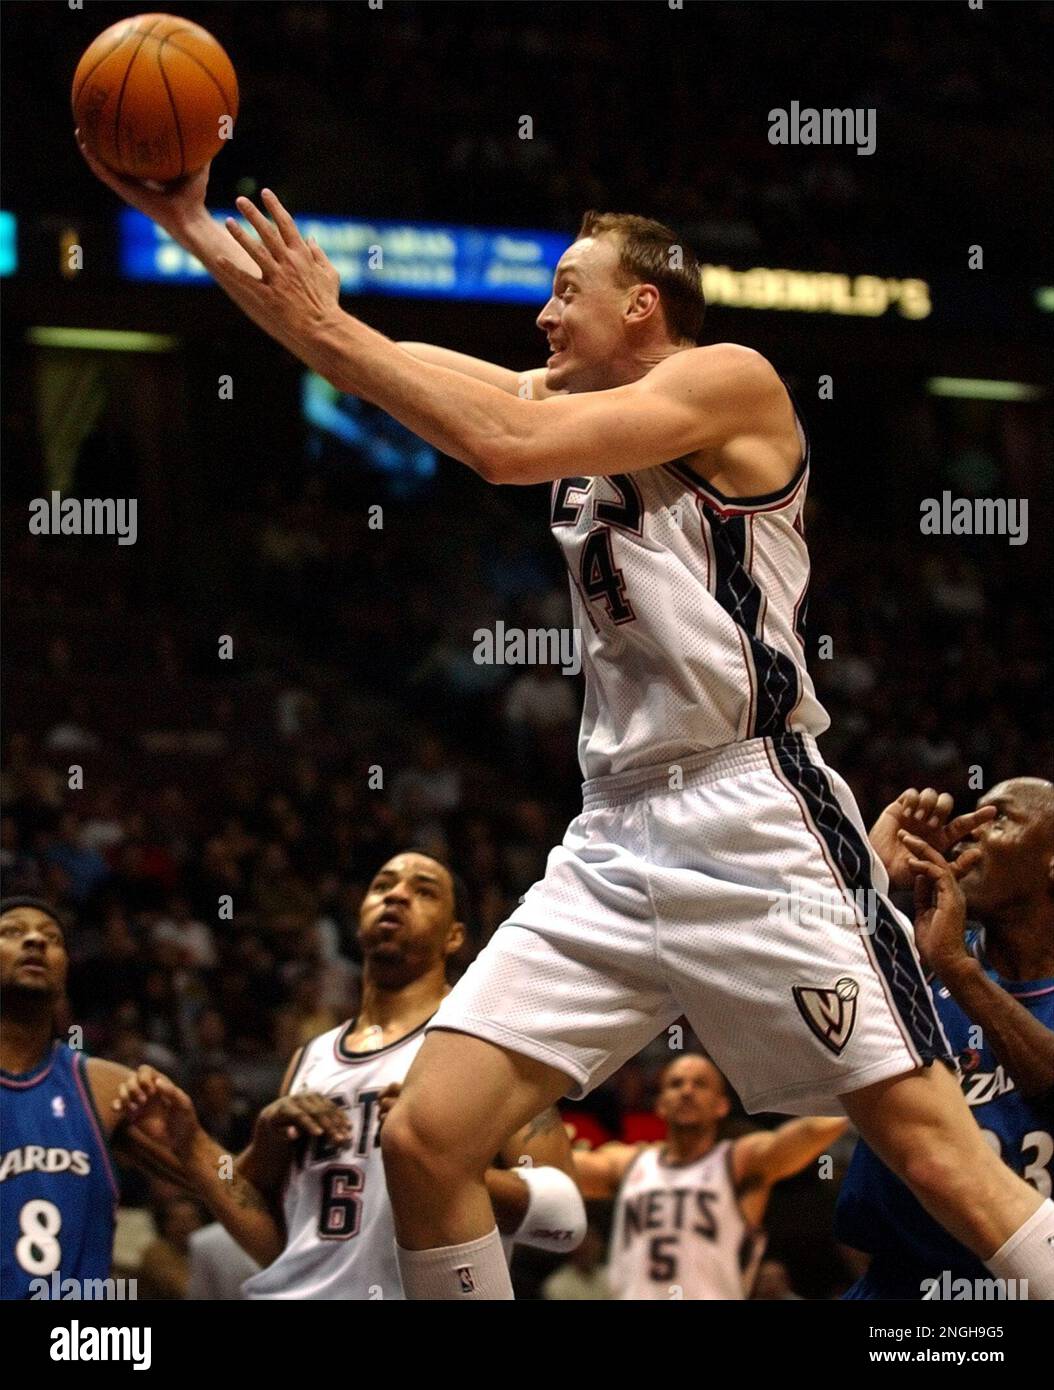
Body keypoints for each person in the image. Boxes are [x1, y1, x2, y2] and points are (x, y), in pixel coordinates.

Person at [77, 144, 1054, 1300]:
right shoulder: (570, 397)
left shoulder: (730, 378)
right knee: (426, 1137)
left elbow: (497, 446)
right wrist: (195, 229)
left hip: (752, 810)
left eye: (564, 292)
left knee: (933, 1149)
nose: (541, 316)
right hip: (612, 832)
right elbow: (371, 357)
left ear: (643, 304)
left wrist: (335, 332)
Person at [113, 852, 584, 1299]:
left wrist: (443, 1156)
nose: (396, 896)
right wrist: (199, 1143)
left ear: (455, 936)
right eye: (383, 886)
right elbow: (288, 1247)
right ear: (359, 913)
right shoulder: (310, 1056)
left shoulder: (484, 1046)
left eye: (423, 891)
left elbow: (564, 1218)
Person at [837, 780, 1054, 1298]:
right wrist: (867, 875)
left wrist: (959, 970)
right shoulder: (923, 959)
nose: (964, 837)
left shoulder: (950, 964)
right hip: (897, 1287)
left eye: (998, 820)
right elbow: (813, 1000)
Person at [0, 896, 192, 1299]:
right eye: (13, 931)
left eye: (52, 937)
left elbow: (227, 1181)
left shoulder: (107, 1088)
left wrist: (269, 1139)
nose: (35, 940)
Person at [574, 1054, 845, 1299]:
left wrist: (854, 1083)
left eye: (700, 1084)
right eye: (676, 1084)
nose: (687, 1091)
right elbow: (560, 1169)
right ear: (660, 1104)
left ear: (721, 1106)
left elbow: (811, 1131)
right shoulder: (627, 1163)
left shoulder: (739, 1163)